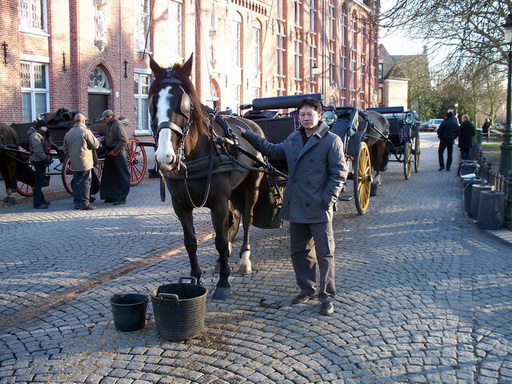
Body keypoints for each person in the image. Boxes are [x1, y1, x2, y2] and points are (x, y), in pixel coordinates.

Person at [235, 97, 347, 316]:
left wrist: (328, 198)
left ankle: (326, 297)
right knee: (299, 251)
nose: (306, 118)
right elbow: (273, 151)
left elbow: (339, 173)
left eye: (310, 114)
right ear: (299, 116)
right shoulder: (294, 138)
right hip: (296, 204)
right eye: (302, 114)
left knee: (325, 254)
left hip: (318, 205)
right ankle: (307, 289)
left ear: (319, 115)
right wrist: (248, 134)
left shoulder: (331, 141)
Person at [63, 113, 100, 210]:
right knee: (86, 181)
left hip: (74, 162)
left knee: (76, 181)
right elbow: (95, 145)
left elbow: (65, 150)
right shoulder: (85, 132)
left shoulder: (68, 133)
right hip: (85, 161)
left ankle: (76, 202)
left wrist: (72, 155)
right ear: (83, 121)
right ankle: (85, 203)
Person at [99, 109, 130, 205]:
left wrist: (115, 151)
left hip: (118, 152)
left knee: (121, 175)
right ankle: (111, 195)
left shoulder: (117, 125)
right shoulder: (109, 125)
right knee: (109, 175)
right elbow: (112, 138)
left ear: (109, 117)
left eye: (105, 119)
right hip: (110, 151)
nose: (104, 121)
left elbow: (124, 140)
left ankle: (121, 197)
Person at [28, 120, 52, 209]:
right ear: (40, 127)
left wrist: (49, 136)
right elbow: (38, 150)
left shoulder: (41, 135)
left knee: (40, 181)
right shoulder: (35, 136)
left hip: (39, 160)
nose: (46, 128)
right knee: (38, 182)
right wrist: (45, 159)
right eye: (45, 126)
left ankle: (41, 200)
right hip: (38, 160)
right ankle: (38, 203)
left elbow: (49, 145)